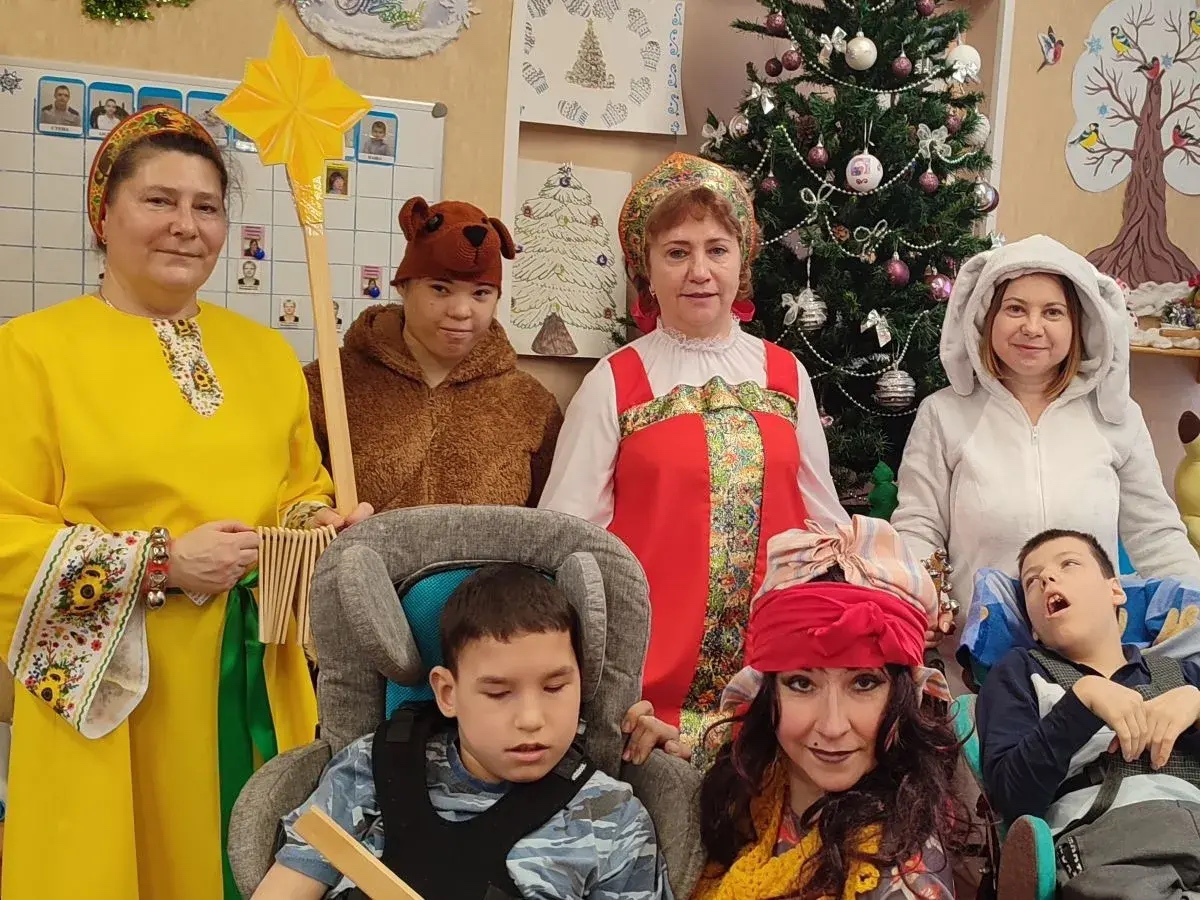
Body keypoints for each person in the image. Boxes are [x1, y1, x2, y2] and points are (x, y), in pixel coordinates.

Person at [0, 105, 371, 900]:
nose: (186, 225)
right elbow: (6, 533)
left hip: (252, 671)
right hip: (114, 688)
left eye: (207, 206)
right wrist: (162, 561)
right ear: (104, 215)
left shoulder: (267, 356)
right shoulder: (29, 353)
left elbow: (296, 490)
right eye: (159, 201)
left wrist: (319, 526)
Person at [538, 153, 846, 748]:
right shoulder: (615, 381)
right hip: (647, 699)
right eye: (677, 252)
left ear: (741, 262)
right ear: (646, 270)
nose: (699, 271)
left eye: (717, 250)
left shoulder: (786, 375)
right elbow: (566, 540)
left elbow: (822, 522)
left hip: (775, 689)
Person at [252, 563, 673, 900]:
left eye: (555, 687)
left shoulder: (611, 817)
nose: (531, 718)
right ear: (448, 693)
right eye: (498, 692)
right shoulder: (372, 767)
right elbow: (288, 886)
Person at [892, 234, 1200, 686]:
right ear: (987, 316)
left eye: (1052, 312)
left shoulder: (1116, 419)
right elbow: (918, 527)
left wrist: (1195, 603)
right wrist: (922, 601)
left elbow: (1155, 533)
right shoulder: (943, 414)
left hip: (1097, 673)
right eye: (1015, 309)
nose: (1032, 327)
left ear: (1079, 324)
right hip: (976, 671)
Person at [688, 516, 970, 898]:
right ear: (767, 693)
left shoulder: (900, 881)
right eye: (802, 684)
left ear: (902, 696)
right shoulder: (747, 790)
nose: (833, 726)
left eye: (864, 683)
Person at [978, 529, 1200, 899]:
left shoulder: (1183, 674)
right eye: (1032, 581)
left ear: (1115, 591)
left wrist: (1196, 707)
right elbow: (1011, 799)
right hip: (1109, 851)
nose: (1047, 578)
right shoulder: (1019, 672)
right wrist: (1079, 704)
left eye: (1068, 564)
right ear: (1033, 627)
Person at [305, 196, 563, 512]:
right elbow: (290, 498)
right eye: (440, 289)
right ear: (403, 286)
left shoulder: (531, 405)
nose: (461, 311)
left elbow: (549, 522)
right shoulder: (327, 385)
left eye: (481, 293)